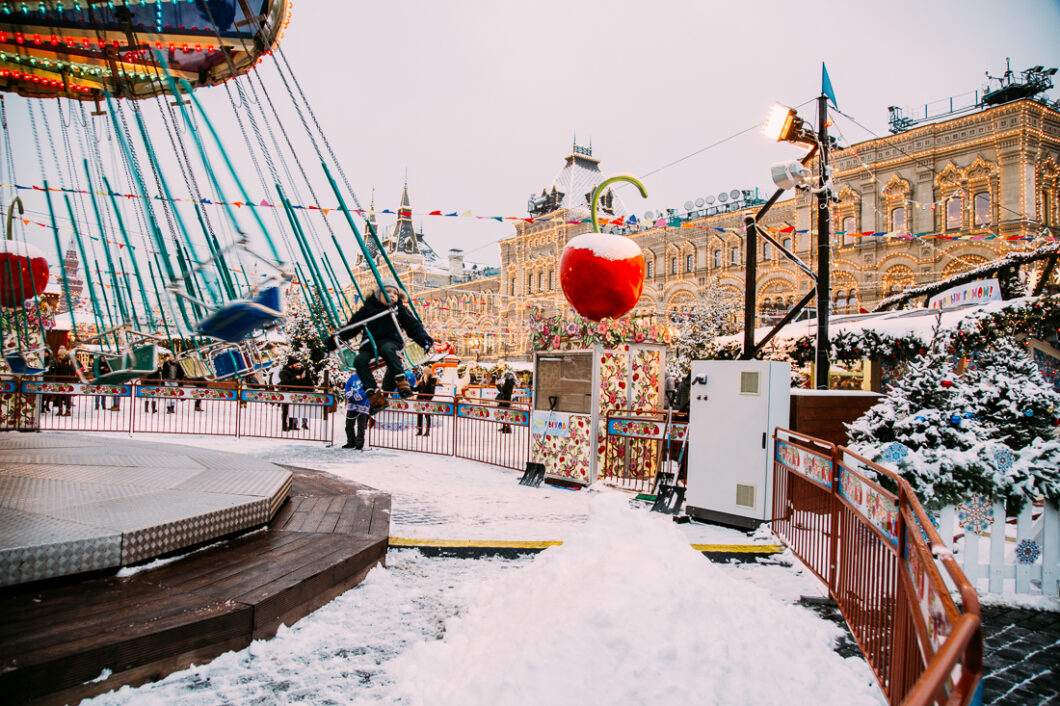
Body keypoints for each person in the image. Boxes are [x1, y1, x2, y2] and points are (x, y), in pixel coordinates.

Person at [326, 279, 433, 414]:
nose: (392, 295)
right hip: (369, 345)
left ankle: (401, 381)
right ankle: (374, 395)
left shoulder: (399, 309)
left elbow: (413, 326)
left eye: (395, 293)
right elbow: (352, 327)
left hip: (391, 341)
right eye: (387, 292)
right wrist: (331, 343)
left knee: (387, 349)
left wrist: (424, 340)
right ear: (378, 294)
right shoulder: (368, 309)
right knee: (359, 361)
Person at [278, 357, 313, 431]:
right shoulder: (284, 372)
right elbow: (287, 381)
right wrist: (298, 378)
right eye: (297, 365)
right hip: (286, 393)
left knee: (292, 410)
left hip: (293, 393)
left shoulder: (295, 371)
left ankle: (292, 425)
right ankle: (284, 426)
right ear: (292, 365)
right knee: (285, 411)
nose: (299, 366)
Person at [342, 371, 370, 450]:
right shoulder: (353, 376)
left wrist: (356, 397)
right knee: (349, 424)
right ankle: (351, 441)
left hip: (363, 404)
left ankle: (359, 443)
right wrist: (349, 395)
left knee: (361, 425)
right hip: (352, 404)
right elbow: (347, 385)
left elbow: (367, 389)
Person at [48, 346, 76, 416]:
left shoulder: (69, 361)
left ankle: (68, 410)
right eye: (60, 355)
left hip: (67, 381)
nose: (61, 356)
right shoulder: (58, 361)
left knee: (67, 397)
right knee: (60, 397)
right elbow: (56, 370)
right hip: (60, 381)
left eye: (62, 355)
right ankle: (60, 410)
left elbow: (73, 371)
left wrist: (69, 377)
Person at [414, 366, 437, 437]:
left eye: (424, 372)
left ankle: (427, 431)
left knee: (427, 416)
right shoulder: (422, 380)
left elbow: (432, 392)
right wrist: (408, 387)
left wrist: (428, 400)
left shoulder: (432, 380)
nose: (422, 373)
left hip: (426, 401)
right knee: (419, 415)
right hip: (420, 400)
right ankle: (420, 430)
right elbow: (416, 389)